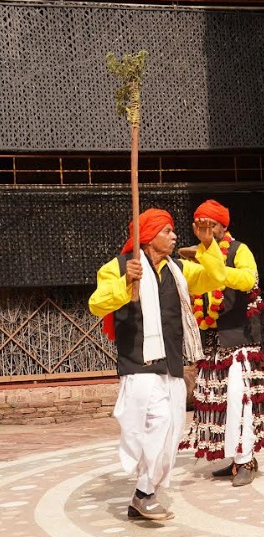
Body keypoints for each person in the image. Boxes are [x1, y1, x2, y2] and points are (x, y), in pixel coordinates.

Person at [89, 208, 225, 520]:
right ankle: (144, 493)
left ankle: (143, 495)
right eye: (166, 231)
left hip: (172, 363)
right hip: (139, 362)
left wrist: (208, 247)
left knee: (169, 431)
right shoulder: (120, 266)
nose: (174, 236)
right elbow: (97, 303)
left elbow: (215, 278)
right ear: (149, 237)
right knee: (156, 424)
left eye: (173, 231)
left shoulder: (179, 268)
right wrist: (126, 281)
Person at [180, 200, 264, 487]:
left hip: (240, 341)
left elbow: (246, 280)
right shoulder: (194, 256)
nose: (207, 230)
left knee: (239, 400)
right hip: (214, 343)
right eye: (201, 225)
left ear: (224, 226)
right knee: (217, 405)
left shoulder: (239, 250)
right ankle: (234, 458)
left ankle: (245, 460)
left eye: (212, 225)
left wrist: (211, 258)